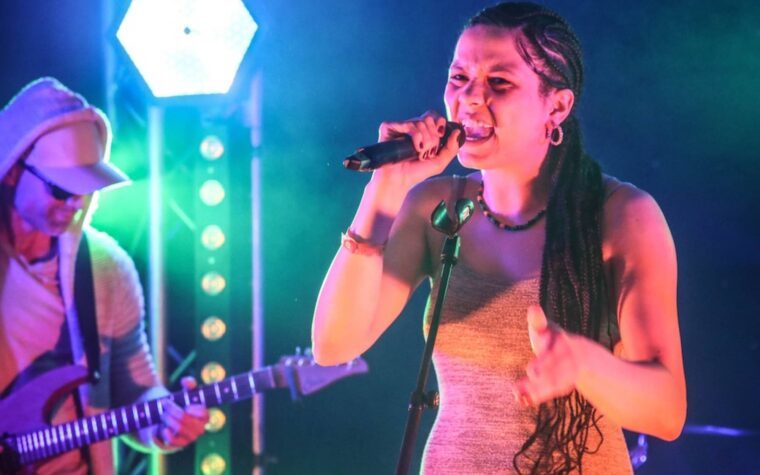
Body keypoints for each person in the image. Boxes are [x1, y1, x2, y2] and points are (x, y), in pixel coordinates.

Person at [312, 2, 686, 473]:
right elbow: (333, 346)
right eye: (459, 77)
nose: (469, 98)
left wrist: (584, 365)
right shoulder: (436, 208)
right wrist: (383, 192)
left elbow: (667, 412)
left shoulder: (620, 215)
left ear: (557, 106)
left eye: (499, 82)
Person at [0, 78, 208, 474]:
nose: (76, 204)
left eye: (86, 189)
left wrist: (165, 421)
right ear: (12, 170)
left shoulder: (105, 267)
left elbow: (134, 392)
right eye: (61, 189)